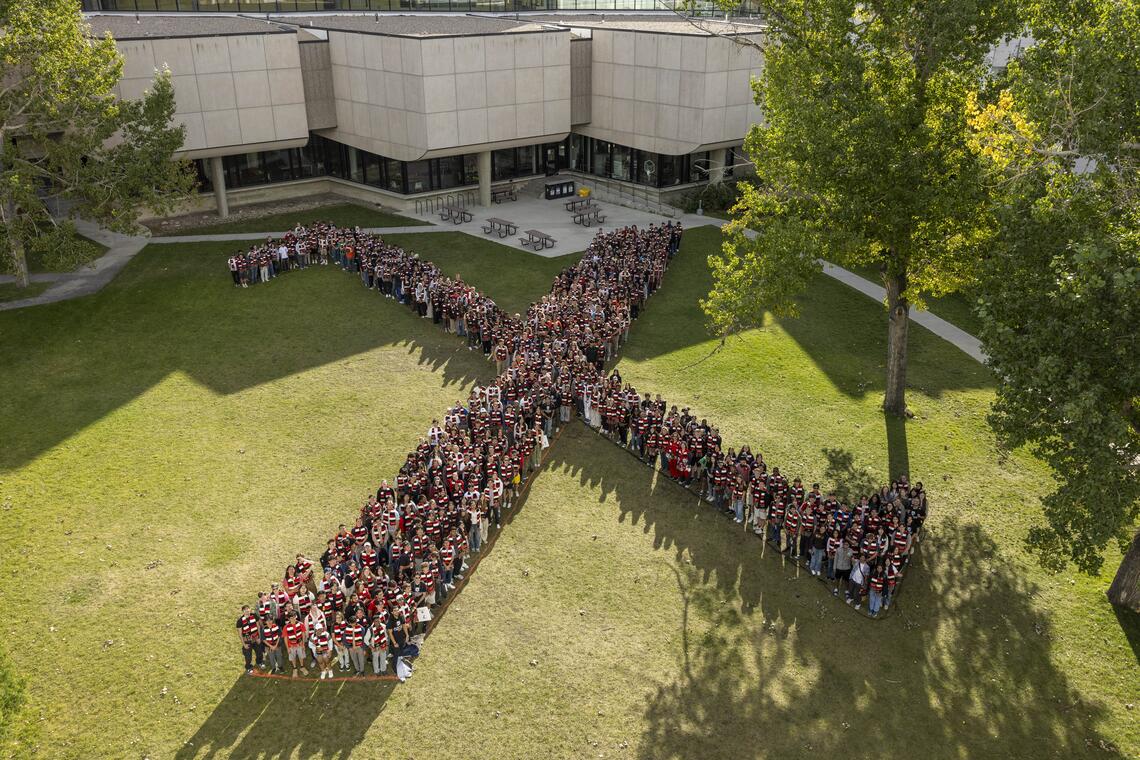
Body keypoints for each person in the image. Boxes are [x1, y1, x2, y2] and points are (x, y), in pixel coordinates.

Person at [236, 605, 263, 674]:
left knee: (259, 652)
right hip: (247, 641)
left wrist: (259, 637)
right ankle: (248, 667)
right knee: (248, 656)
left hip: (256, 638)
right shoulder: (240, 621)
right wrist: (244, 644)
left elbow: (258, 627)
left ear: (250, 610)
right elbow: (240, 634)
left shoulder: (254, 616)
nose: (247, 611)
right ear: (243, 611)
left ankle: (259, 662)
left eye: (248, 609)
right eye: (245, 610)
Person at [283, 611, 308, 678]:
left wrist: (303, 644)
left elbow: (303, 634)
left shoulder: (300, 624)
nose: (293, 619)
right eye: (291, 618)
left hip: (300, 644)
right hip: (291, 645)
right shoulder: (286, 627)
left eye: (294, 617)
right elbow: (285, 638)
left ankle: (302, 667)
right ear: (288, 619)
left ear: (296, 617)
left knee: (301, 655)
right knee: (293, 657)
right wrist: (287, 648)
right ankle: (295, 668)